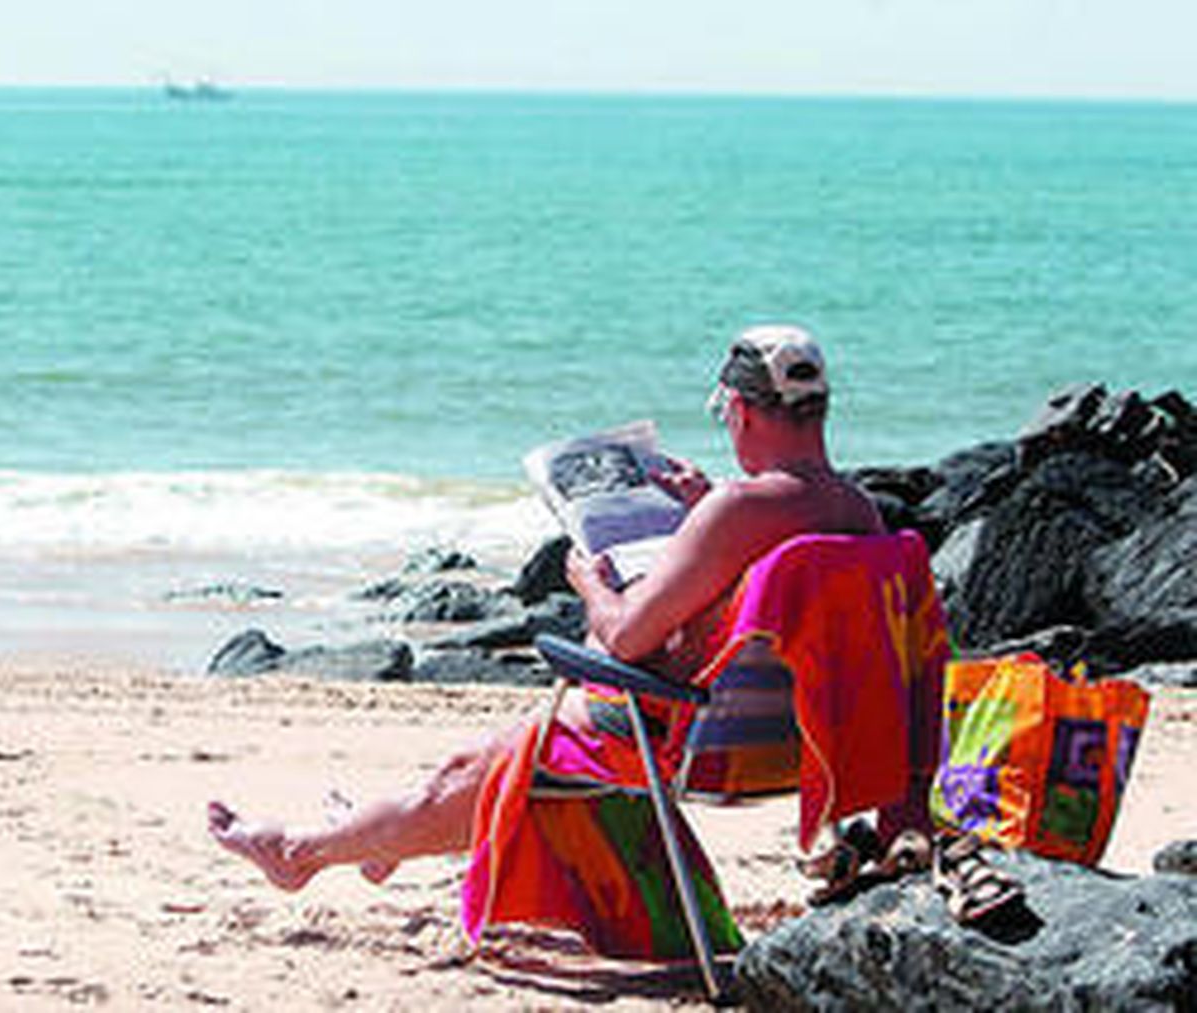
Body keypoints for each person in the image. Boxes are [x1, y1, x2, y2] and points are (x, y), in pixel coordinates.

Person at [207, 324, 887, 894]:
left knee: (480, 764)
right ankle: (376, 839)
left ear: (738, 409)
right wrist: (702, 514)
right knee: (500, 757)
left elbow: (625, 637)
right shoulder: (859, 516)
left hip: (679, 738)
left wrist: (587, 581)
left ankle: (300, 851)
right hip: (796, 749)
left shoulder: (737, 510)